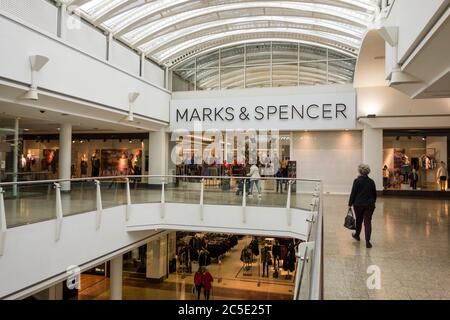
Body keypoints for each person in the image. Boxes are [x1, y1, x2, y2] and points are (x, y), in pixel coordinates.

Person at [348, 164, 377, 249]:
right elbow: (374, 194)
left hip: (358, 204)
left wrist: (350, 204)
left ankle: (357, 235)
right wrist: (372, 202)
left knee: (359, 220)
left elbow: (353, 193)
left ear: (360, 171)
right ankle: (368, 242)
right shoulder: (371, 181)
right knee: (367, 222)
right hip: (369, 205)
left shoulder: (357, 181)